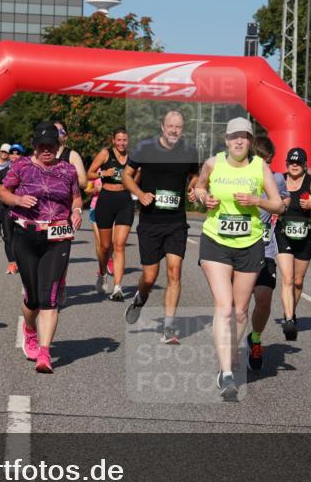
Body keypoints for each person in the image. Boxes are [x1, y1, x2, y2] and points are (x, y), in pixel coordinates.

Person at [193, 117, 285, 399]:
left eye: (244, 136)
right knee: (224, 306)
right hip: (216, 241)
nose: (239, 141)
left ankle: (231, 352)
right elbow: (199, 188)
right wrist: (204, 198)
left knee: (241, 310)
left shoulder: (260, 167)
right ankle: (226, 373)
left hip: (250, 243)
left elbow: (278, 205)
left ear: (250, 140)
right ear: (226, 140)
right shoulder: (213, 163)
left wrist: (257, 201)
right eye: (234, 136)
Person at [0, 123, 82, 373]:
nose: (47, 150)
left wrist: (76, 210)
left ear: (58, 146)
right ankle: (30, 329)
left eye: (51, 145)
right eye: (42, 146)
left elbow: (76, 196)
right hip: (26, 235)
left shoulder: (67, 170)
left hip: (58, 237)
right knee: (33, 299)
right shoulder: (21, 166)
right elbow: (2, 192)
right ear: (34, 146)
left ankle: (45, 353)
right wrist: (18, 199)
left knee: (49, 299)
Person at [122, 111, 200, 343]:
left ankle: (168, 327)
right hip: (150, 222)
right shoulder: (145, 148)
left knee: (174, 271)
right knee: (149, 276)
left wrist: (193, 187)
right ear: (162, 126)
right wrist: (140, 194)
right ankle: (140, 297)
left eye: (179, 126)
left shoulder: (189, 151)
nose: (174, 130)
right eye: (171, 126)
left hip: (176, 222)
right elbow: (126, 176)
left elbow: (196, 175)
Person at [275, 147, 311, 340]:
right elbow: (268, 200)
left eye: (298, 162)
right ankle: (289, 320)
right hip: (283, 233)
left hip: (305, 235)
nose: (295, 165)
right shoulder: (279, 180)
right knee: (287, 279)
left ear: (304, 165)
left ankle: (291, 311)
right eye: (292, 162)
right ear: (287, 164)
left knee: (298, 281)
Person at [246, 135, 288, 371]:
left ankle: (255, 339)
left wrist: (283, 204)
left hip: (265, 248)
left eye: (268, 161)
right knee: (237, 304)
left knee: (263, 299)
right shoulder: (239, 177)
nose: (264, 165)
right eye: (260, 159)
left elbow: (284, 198)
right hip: (240, 248)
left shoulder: (277, 178)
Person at [88, 128, 133, 301]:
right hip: (106, 200)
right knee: (105, 247)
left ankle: (117, 287)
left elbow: (137, 178)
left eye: (125, 140)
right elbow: (90, 173)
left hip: (125, 201)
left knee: (119, 245)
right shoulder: (105, 154)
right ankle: (102, 272)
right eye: (119, 140)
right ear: (113, 140)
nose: (122, 143)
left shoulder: (132, 158)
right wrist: (103, 173)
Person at [0, 145, 22, 274]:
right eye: (12, 153)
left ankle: (23, 260)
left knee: (22, 236)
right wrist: (2, 197)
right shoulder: (3, 172)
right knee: (8, 236)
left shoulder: (27, 171)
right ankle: (12, 263)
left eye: (18, 153)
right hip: (7, 208)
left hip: (23, 209)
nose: (14, 156)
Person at [53, 120, 88, 190]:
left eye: (60, 131)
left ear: (66, 136)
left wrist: (65, 178)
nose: (56, 133)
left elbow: (84, 183)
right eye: (53, 130)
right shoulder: (44, 154)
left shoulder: (73, 155)